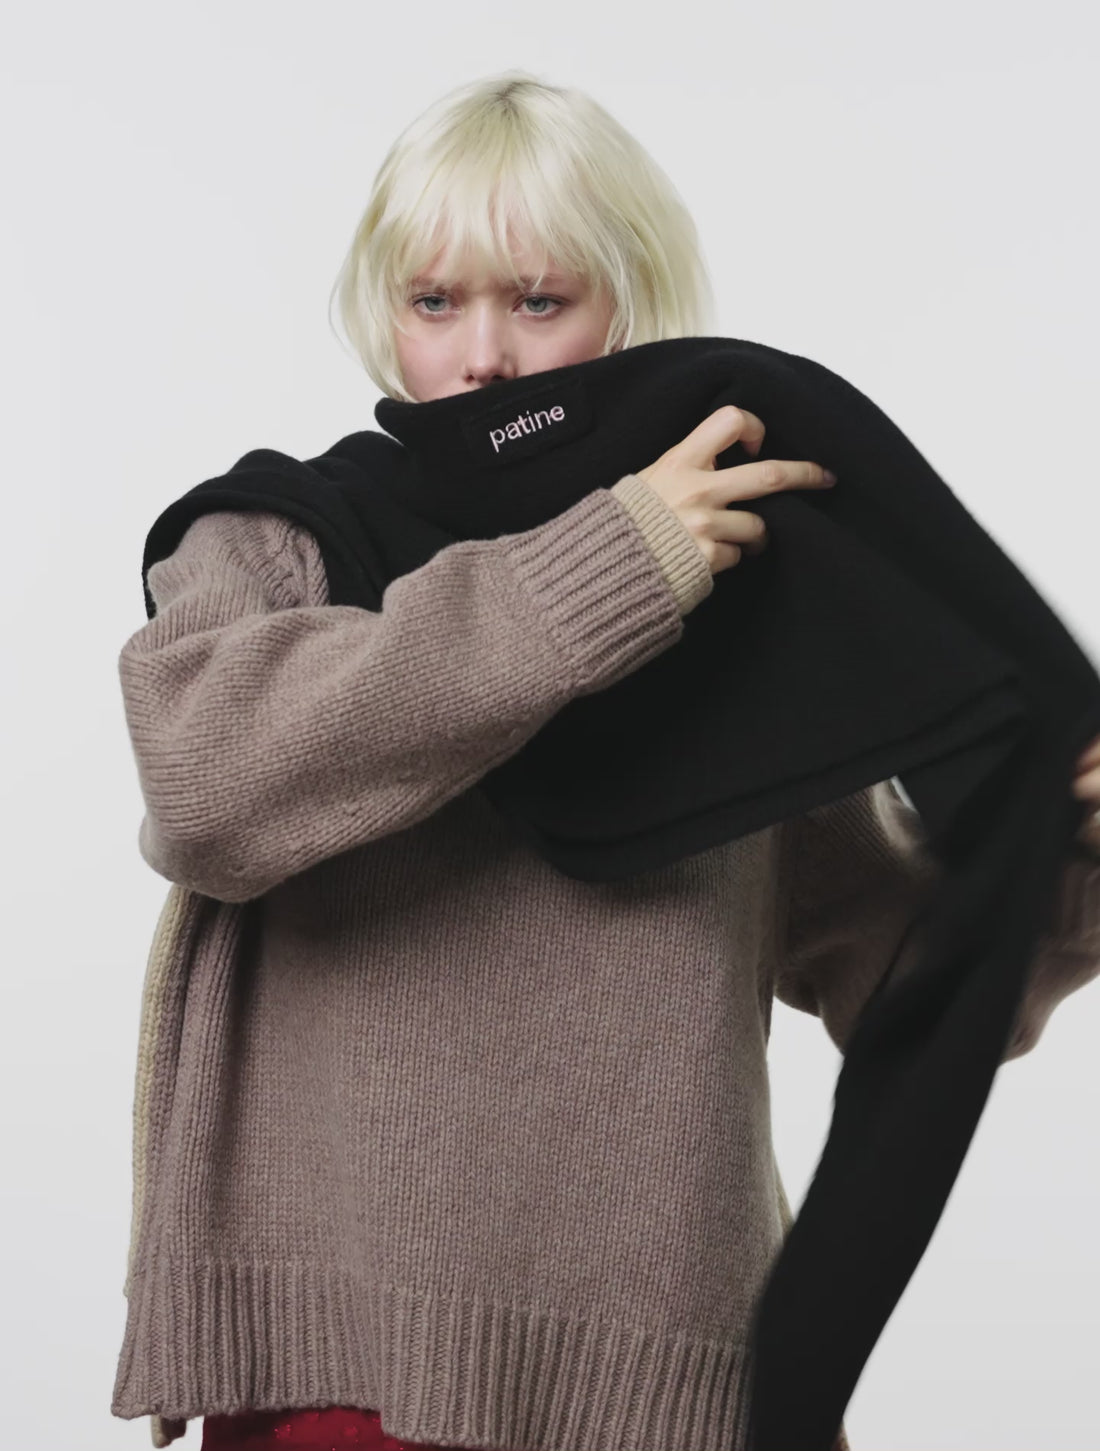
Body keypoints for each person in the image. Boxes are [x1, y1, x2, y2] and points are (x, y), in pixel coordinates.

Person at [113, 70, 1100, 1451]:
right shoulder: (281, 538)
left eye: (538, 300)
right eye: (433, 300)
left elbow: (907, 980)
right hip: (344, 1367)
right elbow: (205, 787)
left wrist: (1066, 861)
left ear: (633, 301)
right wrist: (606, 573)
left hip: (659, 1387)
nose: (481, 358)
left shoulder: (745, 593)